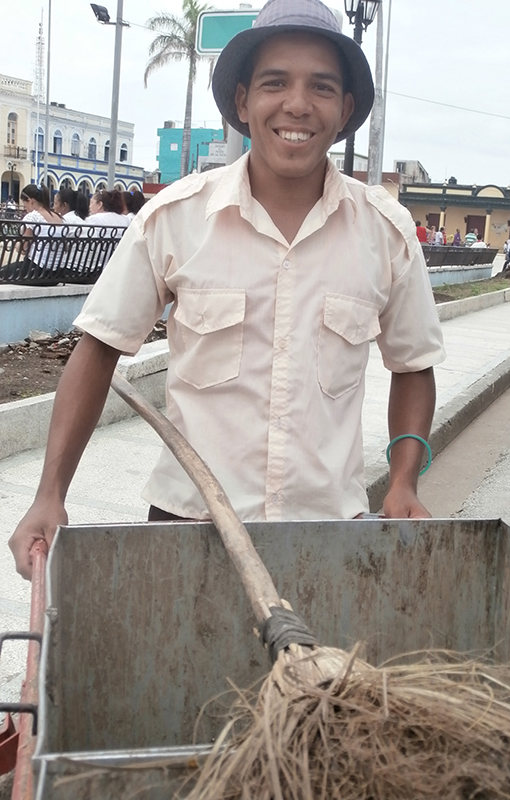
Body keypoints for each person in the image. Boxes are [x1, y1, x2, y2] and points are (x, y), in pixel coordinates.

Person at [9, 0, 445, 579]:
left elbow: (413, 364)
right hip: (186, 534)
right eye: (274, 83)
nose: (297, 104)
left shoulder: (386, 232)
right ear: (243, 101)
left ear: (344, 110)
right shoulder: (174, 219)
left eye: (320, 87)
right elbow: (99, 348)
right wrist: (49, 493)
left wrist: (403, 481)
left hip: (327, 539)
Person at [0, 184, 64, 282]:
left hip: (36, 271)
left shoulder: (33, 217)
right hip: (54, 275)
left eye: (25, 205)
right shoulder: (59, 218)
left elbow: (23, 249)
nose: (25, 208)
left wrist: (17, 245)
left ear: (30, 201)